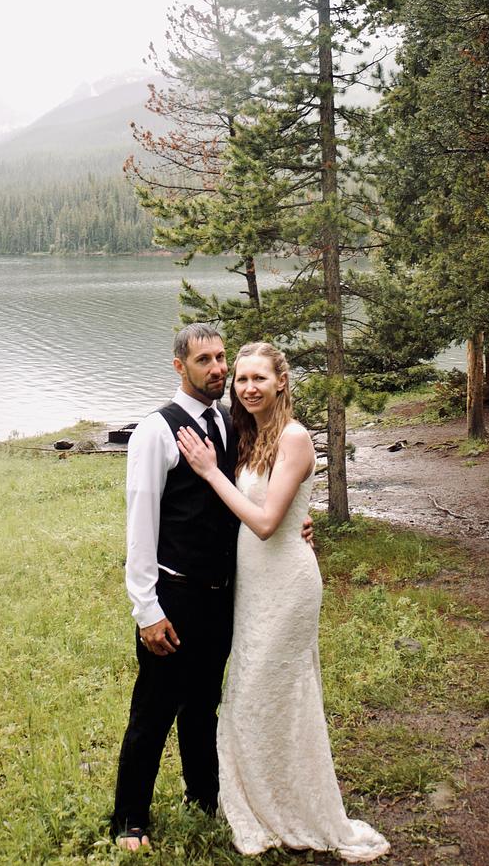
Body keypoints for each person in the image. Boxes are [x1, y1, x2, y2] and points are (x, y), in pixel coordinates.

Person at [176, 341, 390, 862]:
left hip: (287, 585)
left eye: (259, 378)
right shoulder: (251, 434)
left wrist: (210, 471)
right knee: (252, 692)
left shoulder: (293, 437)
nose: (248, 387)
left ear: (281, 382)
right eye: (241, 378)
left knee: (272, 694)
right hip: (253, 586)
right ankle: (261, 794)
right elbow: (275, 506)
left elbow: (268, 523)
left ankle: (290, 804)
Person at [110, 323, 312, 852]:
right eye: (205, 360)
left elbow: (259, 496)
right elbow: (140, 527)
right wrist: (147, 609)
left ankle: (203, 795)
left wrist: (297, 522)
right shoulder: (155, 431)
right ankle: (130, 818)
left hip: (224, 595)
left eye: (222, 358)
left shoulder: (229, 422)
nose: (219, 369)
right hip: (174, 595)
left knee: (203, 705)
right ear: (180, 366)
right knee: (153, 709)